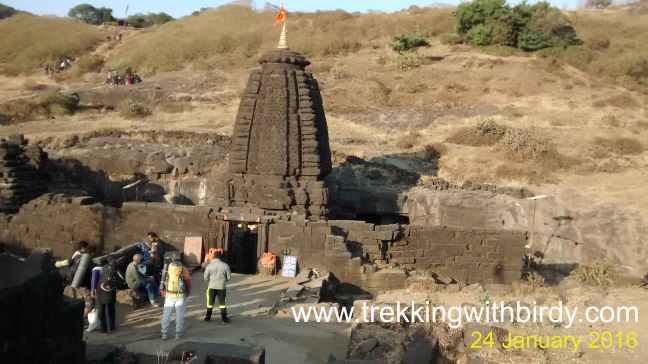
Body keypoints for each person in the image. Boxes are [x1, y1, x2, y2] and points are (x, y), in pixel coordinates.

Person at [161, 253, 192, 340]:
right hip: (180, 294)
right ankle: (178, 334)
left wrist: (163, 291)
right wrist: (188, 292)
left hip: (169, 294)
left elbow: (163, 280)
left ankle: (164, 333)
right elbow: (187, 281)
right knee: (179, 315)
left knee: (166, 314)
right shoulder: (183, 268)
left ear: (172, 259)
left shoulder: (167, 267)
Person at [203, 251, 231, 324]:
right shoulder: (225, 266)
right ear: (220, 257)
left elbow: (205, 277)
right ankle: (224, 319)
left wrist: (211, 280)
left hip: (211, 286)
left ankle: (207, 318)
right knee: (222, 303)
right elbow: (228, 277)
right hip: (221, 287)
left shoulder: (209, 266)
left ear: (214, 257)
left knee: (210, 303)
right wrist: (223, 280)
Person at [96, 260, 118, 334]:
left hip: (100, 292)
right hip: (111, 292)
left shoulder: (100, 269)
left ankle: (103, 330)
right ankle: (112, 326)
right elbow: (120, 280)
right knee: (111, 310)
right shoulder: (115, 269)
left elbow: (94, 280)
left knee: (101, 311)